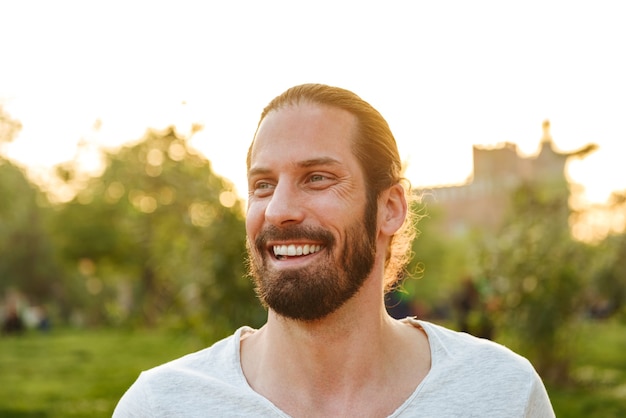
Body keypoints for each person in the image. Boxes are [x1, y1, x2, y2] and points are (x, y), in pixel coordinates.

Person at [114, 83, 555, 417]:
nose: (278, 210)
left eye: (318, 178)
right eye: (262, 185)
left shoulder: (502, 394)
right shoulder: (161, 405)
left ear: (389, 209)